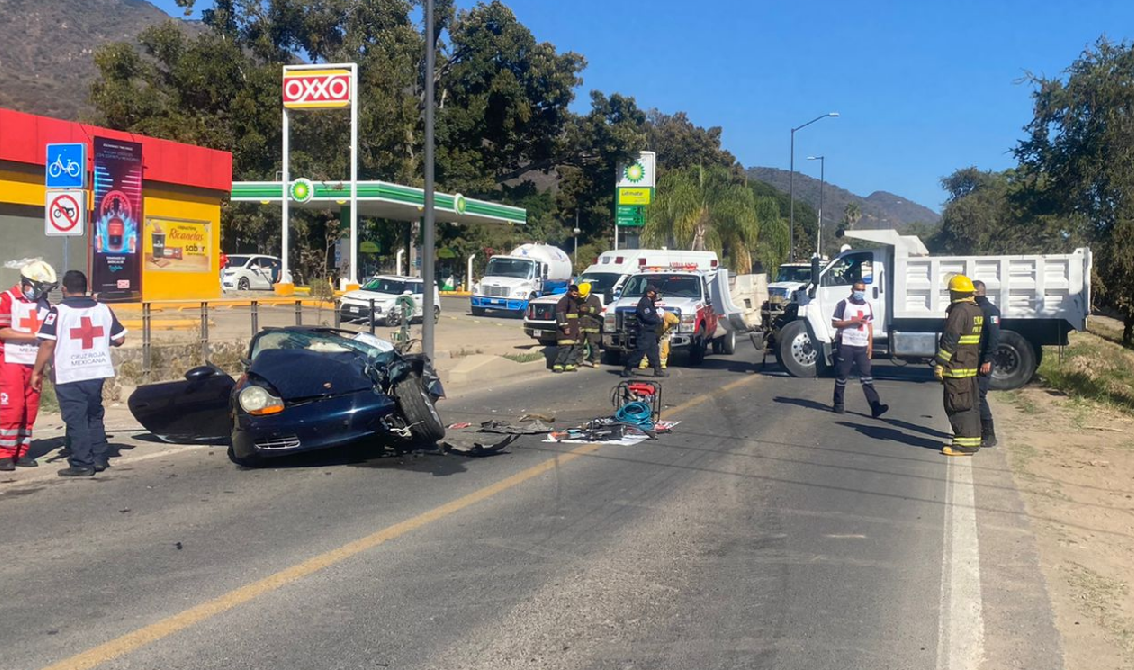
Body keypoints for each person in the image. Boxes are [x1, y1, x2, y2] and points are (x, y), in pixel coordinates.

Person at [31, 270, 126, 477]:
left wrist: (37, 372)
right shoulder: (103, 309)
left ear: (64, 289)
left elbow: (47, 343)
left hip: (69, 373)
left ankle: (82, 463)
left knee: (76, 419)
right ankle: (100, 457)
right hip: (97, 370)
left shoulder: (57, 312)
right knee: (94, 414)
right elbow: (119, 339)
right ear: (86, 288)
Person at [0, 260, 57, 470]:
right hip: (10, 362)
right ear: (27, 283)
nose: (43, 292)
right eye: (41, 287)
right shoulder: (6, 300)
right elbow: (2, 330)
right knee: (11, 408)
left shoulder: (45, 304)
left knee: (29, 409)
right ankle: (4, 453)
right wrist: (33, 335)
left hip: (34, 363)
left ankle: (22, 451)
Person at [936, 275, 985, 457]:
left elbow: (950, 339)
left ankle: (964, 445)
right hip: (969, 365)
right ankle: (971, 441)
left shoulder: (959, 311)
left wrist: (940, 364)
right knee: (969, 404)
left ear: (956, 293)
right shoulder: (976, 310)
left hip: (957, 366)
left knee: (956, 404)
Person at [831, 280, 889, 418]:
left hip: (862, 346)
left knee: (866, 377)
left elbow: (869, 325)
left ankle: (876, 406)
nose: (860, 292)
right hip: (846, 344)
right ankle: (838, 404)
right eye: (858, 289)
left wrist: (870, 345)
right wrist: (853, 322)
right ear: (852, 290)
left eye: (862, 290)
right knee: (841, 376)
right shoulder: (844, 304)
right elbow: (835, 323)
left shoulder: (867, 305)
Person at [973, 280, 1000, 447]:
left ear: (977, 293)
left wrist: (988, 359)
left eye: (971, 293)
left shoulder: (990, 310)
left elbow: (994, 337)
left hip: (984, 360)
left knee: (979, 395)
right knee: (973, 394)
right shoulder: (975, 309)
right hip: (975, 359)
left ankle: (989, 434)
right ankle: (978, 431)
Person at [622, 284, 667, 378]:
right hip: (644, 332)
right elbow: (648, 317)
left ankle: (658, 370)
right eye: (654, 292)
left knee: (654, 351)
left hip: (650, 332)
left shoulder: (650, 302)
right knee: (640, 351)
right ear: (649, 293)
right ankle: (627, 369)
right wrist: (658, 318)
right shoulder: (644, 303)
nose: (656, 294)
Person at [552, 285, 582, 373]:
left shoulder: (573, 301)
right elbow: (560, 314)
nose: (576, 295)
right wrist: (565, 327)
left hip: (573, 330)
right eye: (574, 293)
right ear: (570, 291)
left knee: (573, 347)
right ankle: (558, 365)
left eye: (577, 293)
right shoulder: (564, 300)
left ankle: (569, 364)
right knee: (565, 348)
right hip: (566, 330)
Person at [576, 282, 603, 368]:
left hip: (592, 325)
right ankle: (578, 361)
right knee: (578, 343)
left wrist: (588, 309)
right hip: (581, 324)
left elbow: (598, 310)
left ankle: (596, 361)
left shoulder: (595, 299)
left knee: (593, 344)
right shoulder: (578, 299)